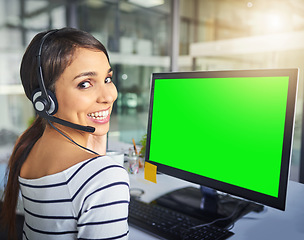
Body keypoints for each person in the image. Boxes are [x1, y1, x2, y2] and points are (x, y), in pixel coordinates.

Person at [1, 27, 130, 240]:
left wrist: (96, 153)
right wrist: (100, 166)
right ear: (45, 101)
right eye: (85, 84)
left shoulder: (28, 145)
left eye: (107, 78)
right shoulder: (104, 178)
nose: (109, 95)